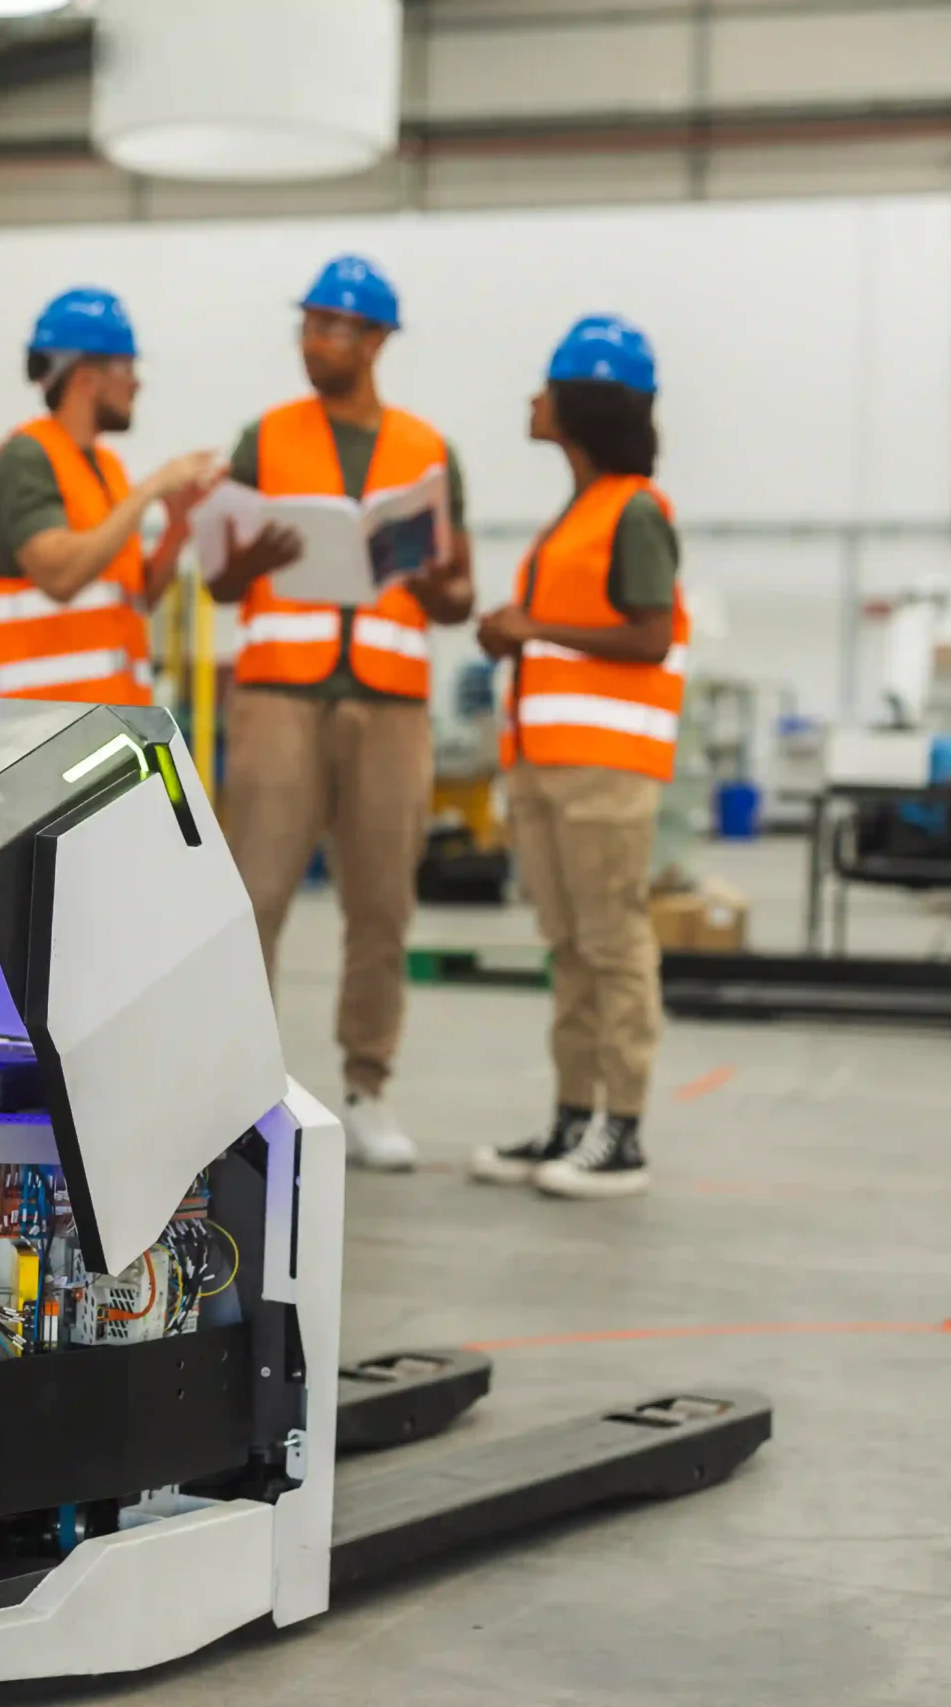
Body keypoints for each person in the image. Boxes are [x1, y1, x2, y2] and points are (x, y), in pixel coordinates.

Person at [210, 255, 474, 1172]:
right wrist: (253, 560)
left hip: (390, 708)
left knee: (381, 903)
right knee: (256, 901)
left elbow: (459, 597)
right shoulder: (264, 439)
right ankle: (238, 1094)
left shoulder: (428, 452)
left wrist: (440, 578)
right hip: (280, 696)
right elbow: (219, 576)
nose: (317, 342)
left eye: (335, 328)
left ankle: (367, 1088)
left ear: (377, 342)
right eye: (310, 325)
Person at [467, 316, 686, 1201]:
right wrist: (512, 637)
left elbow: (650, 632)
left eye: (545, 385)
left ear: (579, 404)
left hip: (604, 769)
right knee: (567, 946)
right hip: (548, 766)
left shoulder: (633, 509)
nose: (532, 399)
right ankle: (572, 1118)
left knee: (612, 943)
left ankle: (622, 1133)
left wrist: (529, 628)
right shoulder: (582, 510)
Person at [0, 286, 233, 705]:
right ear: (88, 379)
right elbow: (60, 578)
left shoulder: (107, 468)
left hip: (110, 722)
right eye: (128, 368)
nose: (136, 385)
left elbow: (134, 600)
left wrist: (178, 528)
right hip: (45, 727)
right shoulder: (25, 457)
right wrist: (152, 489)